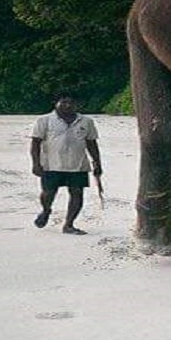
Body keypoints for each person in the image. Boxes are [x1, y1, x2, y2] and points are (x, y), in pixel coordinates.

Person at [29, 95, 102, 235]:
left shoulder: (86, 122)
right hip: (51, 165)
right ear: (56, 103)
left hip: (78, 165)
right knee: (48, 193)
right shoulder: (44, 121)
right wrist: (36, 164)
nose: (68, 105)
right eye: (64, 102)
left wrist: (97, 163)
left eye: (72, 102)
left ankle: (69, 225)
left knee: (77, 194)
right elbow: (35, 144)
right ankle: (46, 210)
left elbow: (92, 143)